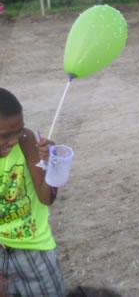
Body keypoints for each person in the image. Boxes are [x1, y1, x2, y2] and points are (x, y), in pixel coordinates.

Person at [0, 88, 65, 296]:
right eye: (4, 135)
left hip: (35, 250)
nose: (12, 140)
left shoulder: (27, 141)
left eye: (17, 131)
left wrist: (51, 164)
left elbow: (47, 198)